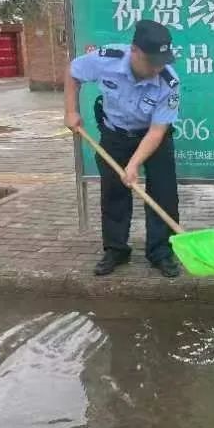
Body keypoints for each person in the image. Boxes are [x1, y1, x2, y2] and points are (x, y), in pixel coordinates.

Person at [64, 19, 182, 278]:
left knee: (163, 194)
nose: (157, 68)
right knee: (113, 191)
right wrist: (71, 111)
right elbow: (73, 74)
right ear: (135, 51)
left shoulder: (168, 82)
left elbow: (157, 131)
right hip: (115, 134)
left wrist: (134, 164)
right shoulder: (106, 59)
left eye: (162, 62)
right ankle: (116, 249)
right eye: (152, 61)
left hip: (153, 137)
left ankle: (161, 252)